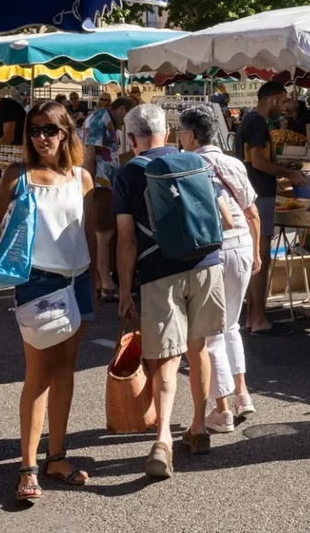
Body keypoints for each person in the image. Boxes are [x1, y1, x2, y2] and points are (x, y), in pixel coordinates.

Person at [0, 100, 96, 500]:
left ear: (66, 133)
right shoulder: (17, 174)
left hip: (79, 280)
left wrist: (107, 281)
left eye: (51, 130)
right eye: (34, 130)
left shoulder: (82, 178)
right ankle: (28, 466)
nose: (42, 138)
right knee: (38, 375)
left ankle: (57, 456)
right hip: (37, 282)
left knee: (66, 372)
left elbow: (90, 234)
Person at [114, 104, 227, 476]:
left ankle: (162, 439)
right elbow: (225, 218)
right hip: (206, 265)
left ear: (132, 140)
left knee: (165, 357)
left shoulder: (129, 173)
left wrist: (124, 290)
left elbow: (127, 240)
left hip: (159, 270)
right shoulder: (195, 161)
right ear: (168, 131)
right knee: (199, 349)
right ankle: (198, 428)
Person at [178, 104, 262, 433]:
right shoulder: (233, 163)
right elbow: (252, 212)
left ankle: (222, 409)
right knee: (230, 326)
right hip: (242, 243)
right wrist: (256, 252)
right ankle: (242, 394)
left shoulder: (189, 163)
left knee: (208, 331)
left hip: (212, 249)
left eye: (181, 131)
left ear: (191, 134)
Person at [238, 81, 304, 337]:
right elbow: (257, 162)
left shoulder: (249, 120)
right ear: (274, 99)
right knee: (260, 257)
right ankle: (258, 319)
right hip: (259, 194)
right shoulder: (257, 122)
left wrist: (282, 164)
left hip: (253, 193)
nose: (285, 106)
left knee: (256, 256)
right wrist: (289, 173)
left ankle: (252, 317)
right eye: (284, 100)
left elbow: (256, 159)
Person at [83, 95, 133, 183]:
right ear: (122, 109)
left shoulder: (107, 118)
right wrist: (89, 181)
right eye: (128, 116)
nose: (127, 121)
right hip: (98, 182)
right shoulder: (101, 118)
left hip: (104, 181)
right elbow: (89, 148)